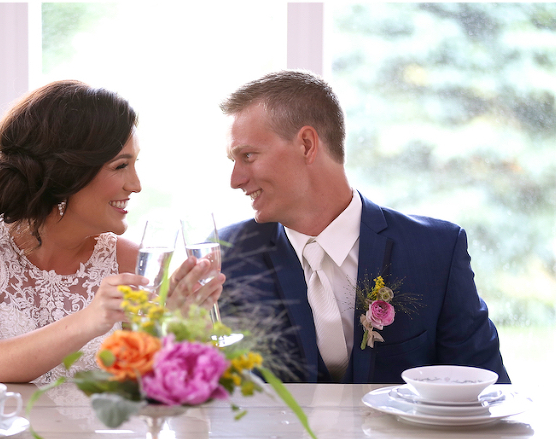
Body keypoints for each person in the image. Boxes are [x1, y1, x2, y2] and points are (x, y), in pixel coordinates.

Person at [218, 70, 510, 384]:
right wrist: (175, 328)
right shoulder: (228, 258)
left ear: (306, 144)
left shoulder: (436, 251)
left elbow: (488, 391)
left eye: (248, 155)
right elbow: (201, 398)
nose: (235, 180)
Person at [0, 80, 223, 385]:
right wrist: (91, 319)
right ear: (68, 172)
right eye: (121, 166)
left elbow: (163, 392)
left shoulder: (130, 260)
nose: (135, 185)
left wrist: (183, 329)